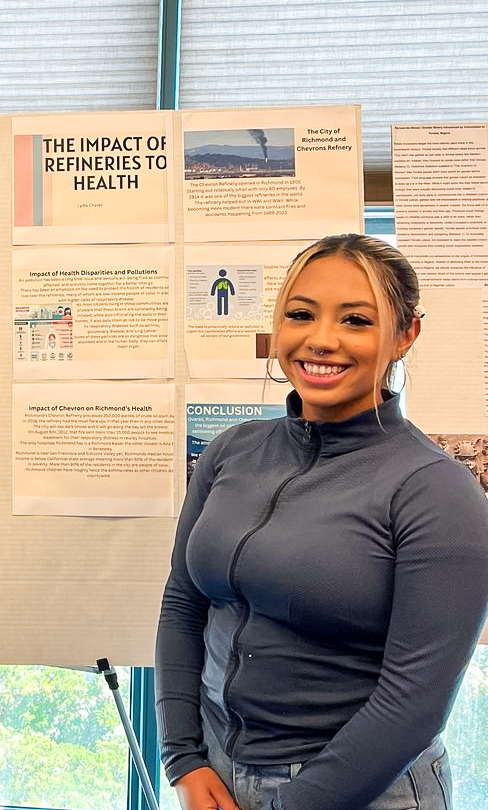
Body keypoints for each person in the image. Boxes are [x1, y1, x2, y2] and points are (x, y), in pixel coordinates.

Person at [155, 234, 488, 810]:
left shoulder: (437, 492)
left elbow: (414, 700)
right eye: (300, 314)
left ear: (405, 335)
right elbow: (184, 604)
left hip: (367, 790)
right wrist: (183, 758)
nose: (322, 339)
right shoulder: (230, 451)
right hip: (217, 773)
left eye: (357, 320)